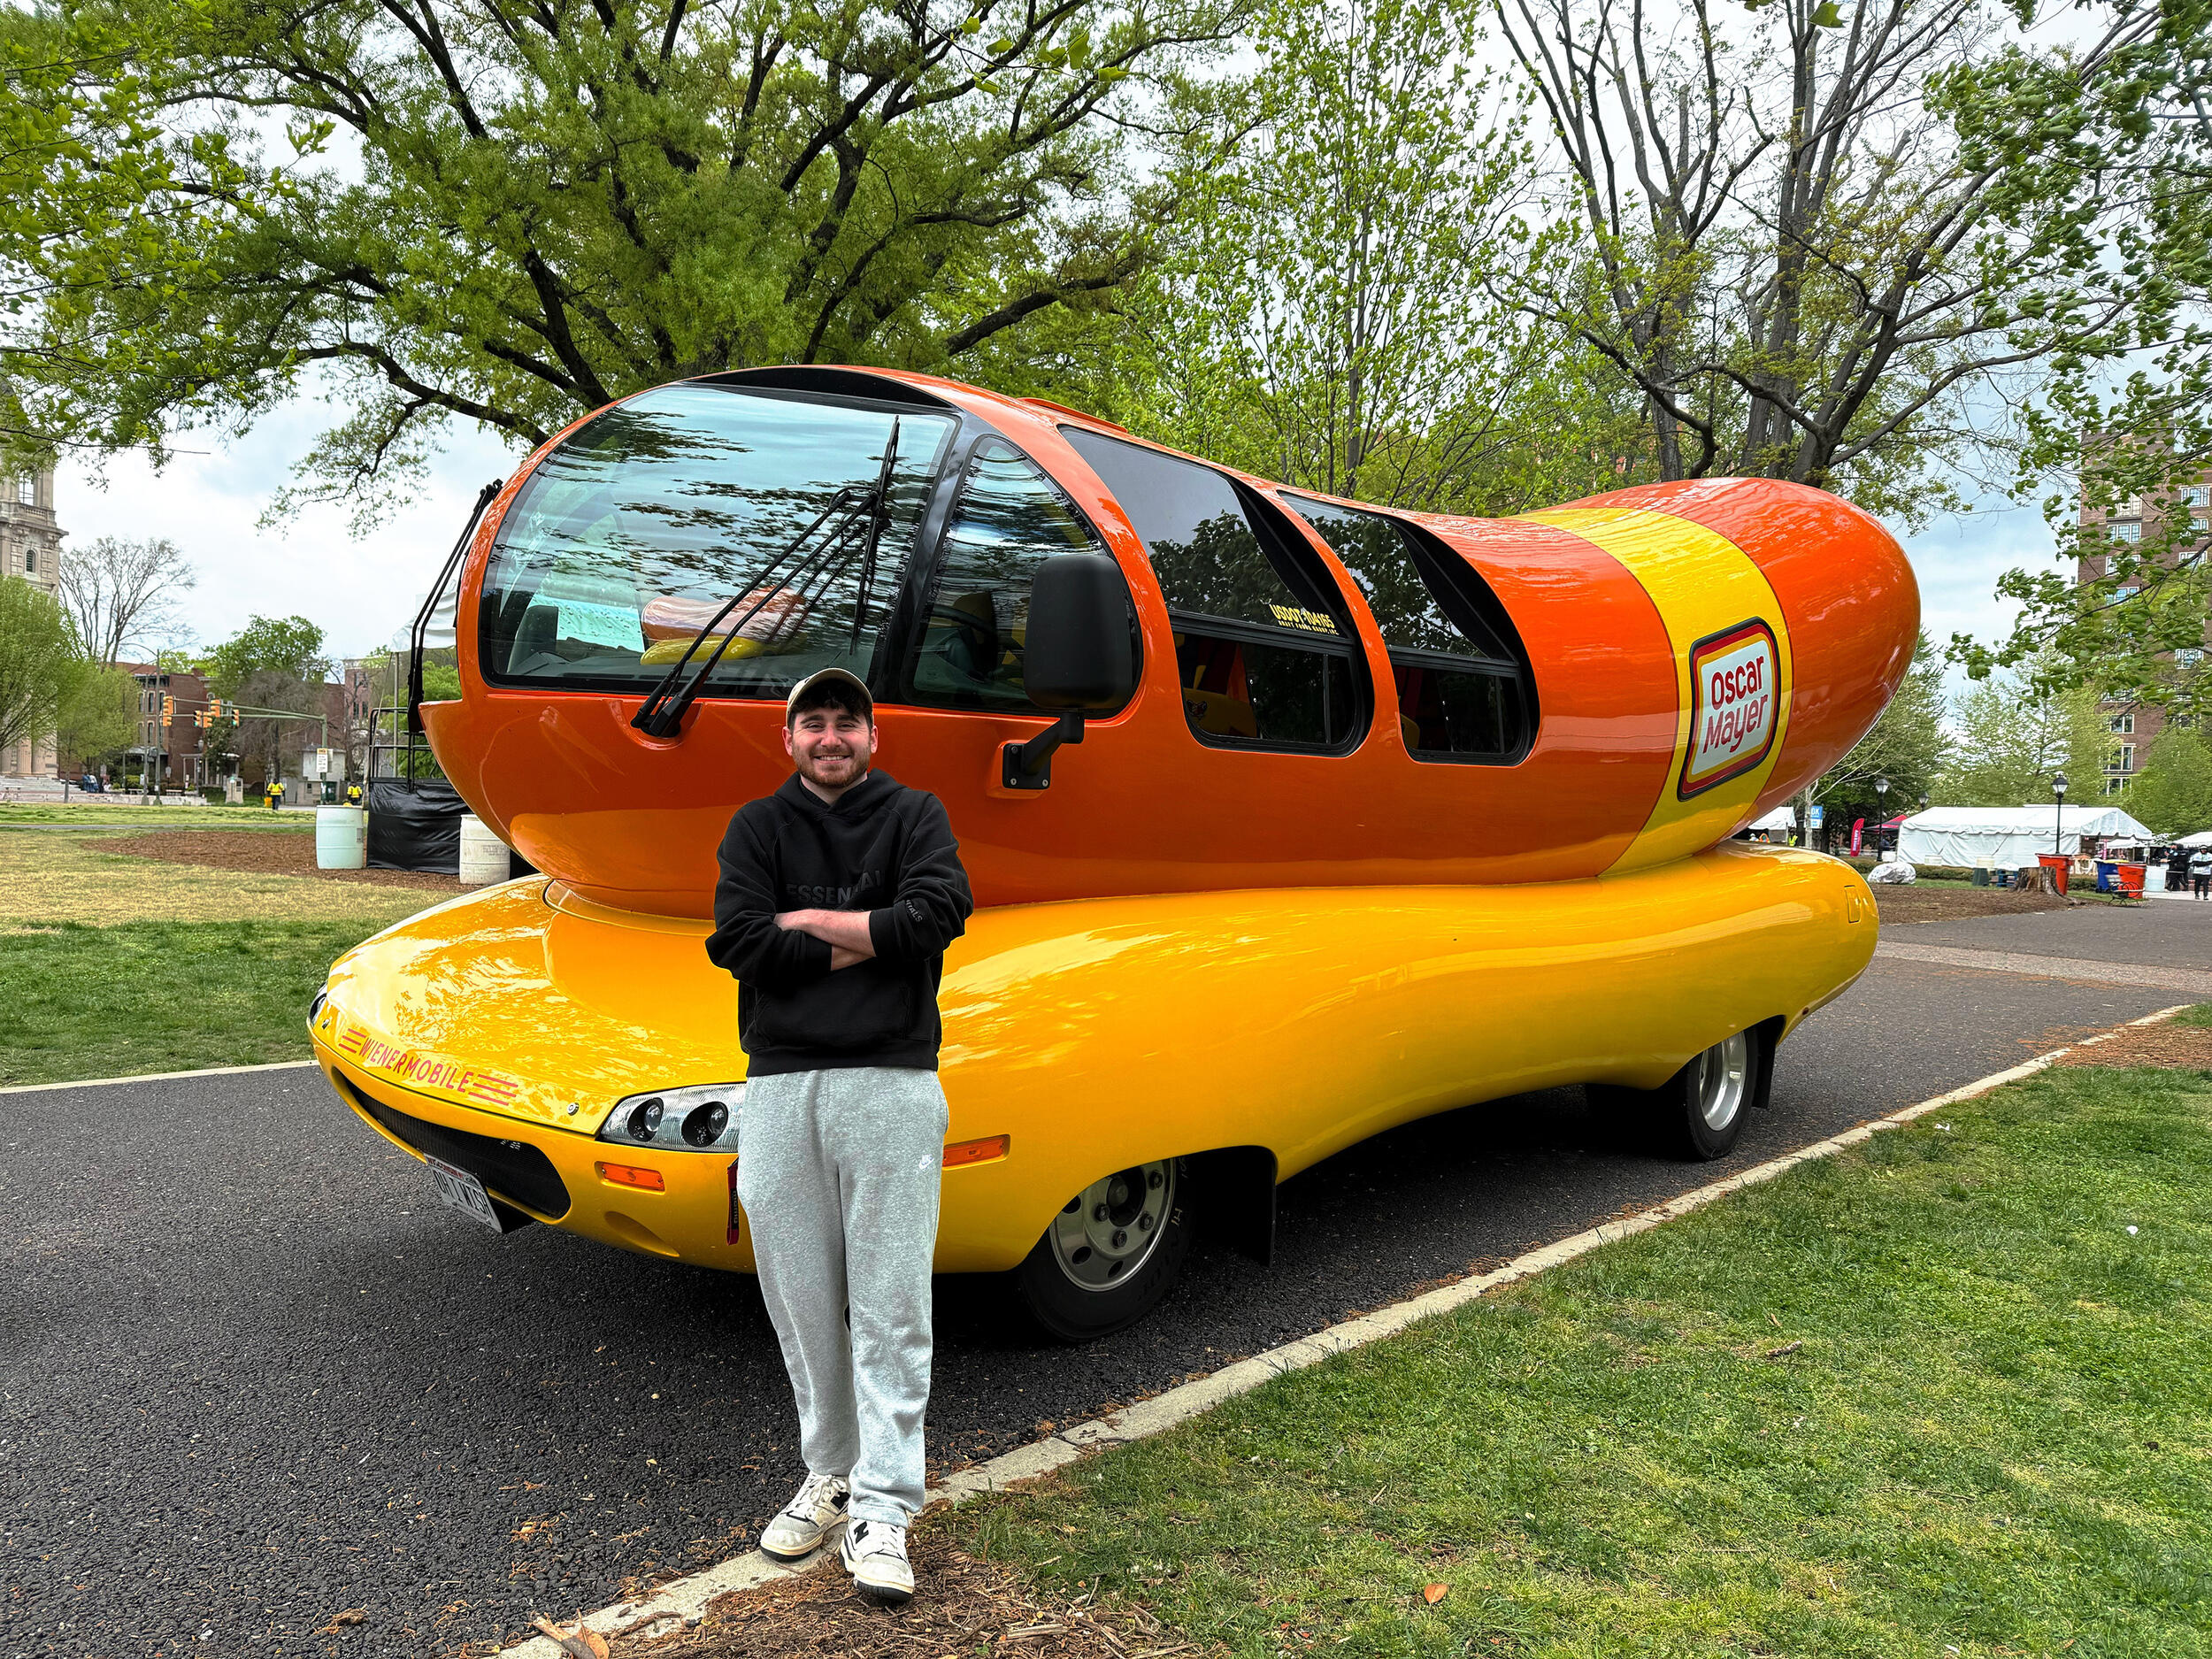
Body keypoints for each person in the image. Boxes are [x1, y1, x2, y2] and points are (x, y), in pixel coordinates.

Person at [703, 667, 973, 1607]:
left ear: (871, 737)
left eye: (845, 723)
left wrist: (813, 918)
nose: (830, 737)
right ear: (789, 740)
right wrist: (875, 933)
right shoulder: (757, 828)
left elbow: (940, 916)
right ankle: (831, 1473)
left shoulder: (915, 815)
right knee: (802, 1299)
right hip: (779, 1086)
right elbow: (736, 941)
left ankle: (886, 1507)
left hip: (893, 1082)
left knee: (892, 1302)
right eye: (812, 723)